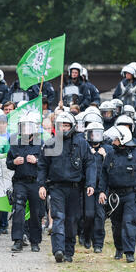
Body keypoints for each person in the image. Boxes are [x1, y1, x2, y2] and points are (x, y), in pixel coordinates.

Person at [38, 112, 96, 262]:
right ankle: (58, 249)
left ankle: (69, 252)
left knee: (71, 220)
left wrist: (90, 183)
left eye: (66, 125)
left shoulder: (81, 143)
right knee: (58, 217)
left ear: (72, 126)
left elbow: (90, 163)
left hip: (75, 188)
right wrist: (41, 185)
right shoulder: (50, 143)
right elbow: (43, 166)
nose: (63, 128)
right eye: (60, 125)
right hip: (56, 187)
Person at [98, 125, 136, 263]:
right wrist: (102, 191)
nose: (113, 141)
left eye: (115, 139)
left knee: (129, 222)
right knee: (116, 224)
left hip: (131, 194)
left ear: (123, 139)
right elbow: (104, 174)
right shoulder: (111, 155)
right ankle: (119, 249)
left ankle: (129, 252)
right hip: (114, 195)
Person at [7, 113, 43, 252]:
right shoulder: (15, 142)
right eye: (23, 127)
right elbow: (8, 163)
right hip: (20, 182)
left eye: (28, 127)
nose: (25, 130)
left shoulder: (41, 143)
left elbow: (47, 164)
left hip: (35, 182)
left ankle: (35, 242)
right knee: (18, 210)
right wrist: (14, 162)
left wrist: (37, 161)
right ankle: (17, 240)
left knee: (36, 212)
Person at [81, 122, 113, 253]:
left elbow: (111, 169)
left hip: (101, 188)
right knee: (88, 214)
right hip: (88, 187)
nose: (95, 136)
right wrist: (92, 154)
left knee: (100, 215)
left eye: (97, 133)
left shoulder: (107, 149)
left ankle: (98, 243)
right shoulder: (84, 148)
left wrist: (105, 156)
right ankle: (86, 236)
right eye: (92, 133)